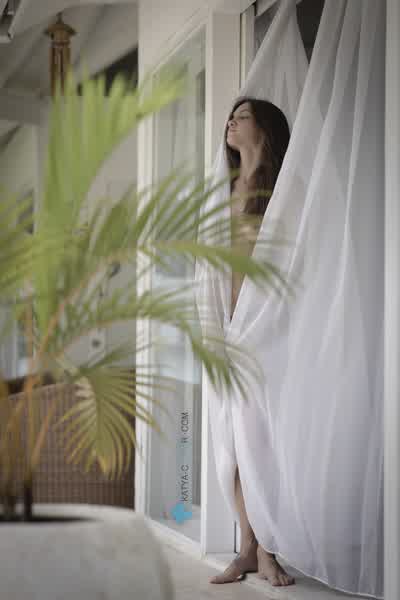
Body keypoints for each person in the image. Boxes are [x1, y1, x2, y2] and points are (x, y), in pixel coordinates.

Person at [210, 97, 295, 586]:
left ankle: (267, 550)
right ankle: (248, 547)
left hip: (266, 332)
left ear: (264, 129)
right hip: (224, 330)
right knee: (232, 444)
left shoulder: (282, 189)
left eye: (241, 117)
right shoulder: (221, 191)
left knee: (263, 442)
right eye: (231, 115)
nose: (230, 122)